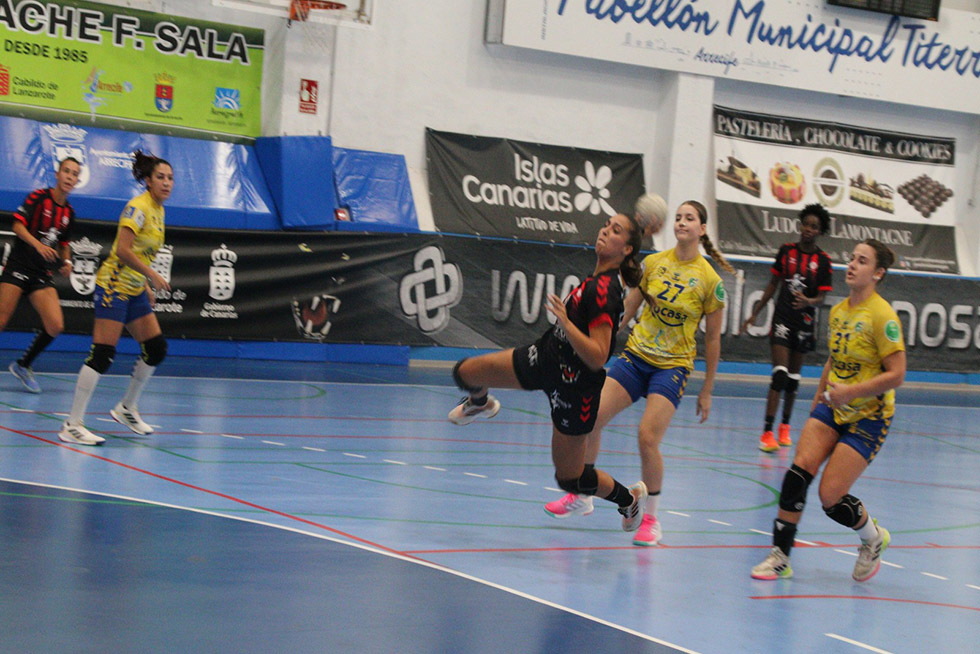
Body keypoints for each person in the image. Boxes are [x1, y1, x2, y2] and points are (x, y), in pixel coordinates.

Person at [544, 201, 735, 547]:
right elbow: (627, 309)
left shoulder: (710, 280)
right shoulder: (654, 264)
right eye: (678, 217)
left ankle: (651, 519)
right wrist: (597, 345)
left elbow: (713, 340)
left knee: (647, 437)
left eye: (690, 218)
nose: (682, 222)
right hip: (636, 357)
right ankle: (582, 495)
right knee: (590, 419)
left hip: (672, 366)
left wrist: (707, 389)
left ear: (702, 229)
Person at [448, 213, 650, 531]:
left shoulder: (605, 290)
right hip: (545, 359)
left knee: (571, 478)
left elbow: (598, 356)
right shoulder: (595, 280)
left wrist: (566, 323)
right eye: (606, 225)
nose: (604, 231)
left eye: (615, 231)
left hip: (574, 389)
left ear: (626, 249)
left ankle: (629, 499)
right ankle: (480, 403)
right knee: (466, 373)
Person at [751, 239, 905, 582]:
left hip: (869, 417)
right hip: (832, 408)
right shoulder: (839, 311)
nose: (852, 264)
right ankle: (780, 557)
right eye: (852, 258)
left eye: (862, 261)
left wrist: (851, 392)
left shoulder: (883, 316)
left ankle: (872, 538)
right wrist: (819, 399)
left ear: (878, 273)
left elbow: (897, 374)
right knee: (797, 474)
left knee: (830, 497)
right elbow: (834, 361)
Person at [58, 150, 172, 446]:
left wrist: (144, 285)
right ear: (148, 181)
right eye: (160, 177)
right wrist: (152, 275)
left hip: (134, 288)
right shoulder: (138, 207)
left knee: (156, 348)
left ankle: (126, 408)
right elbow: (122, 250)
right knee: (102, 354)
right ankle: (72, 425)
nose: (166, 182)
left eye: (170, 178)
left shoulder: (159, 210)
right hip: (113, 285)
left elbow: (142, 253)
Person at [740, 204, 833, 452]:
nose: (809, 229)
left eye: (814, 226)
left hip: (804, 324)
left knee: (793, 379)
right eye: (806, 224)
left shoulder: (823, 261)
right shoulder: (786, 251)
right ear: (800, 225)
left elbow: (821, 298)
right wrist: (755, 313)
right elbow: (773, 284)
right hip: (782, 319)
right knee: (779, 374)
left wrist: (808, 301)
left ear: (820, 231)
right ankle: (767, 432)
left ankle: (785, 426)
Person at [1, 158, 81, 393]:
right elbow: (17, 226)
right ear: (57, 174)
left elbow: (63, 243)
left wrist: (67, 261)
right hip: (18, 265)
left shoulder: (69, 213)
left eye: (74, 174)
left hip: (40, 273)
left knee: (55, 325)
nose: (69, 177)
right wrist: (38, 245)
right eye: (66, 171)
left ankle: (23, 365)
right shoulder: (38, 197)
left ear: (77, 180)